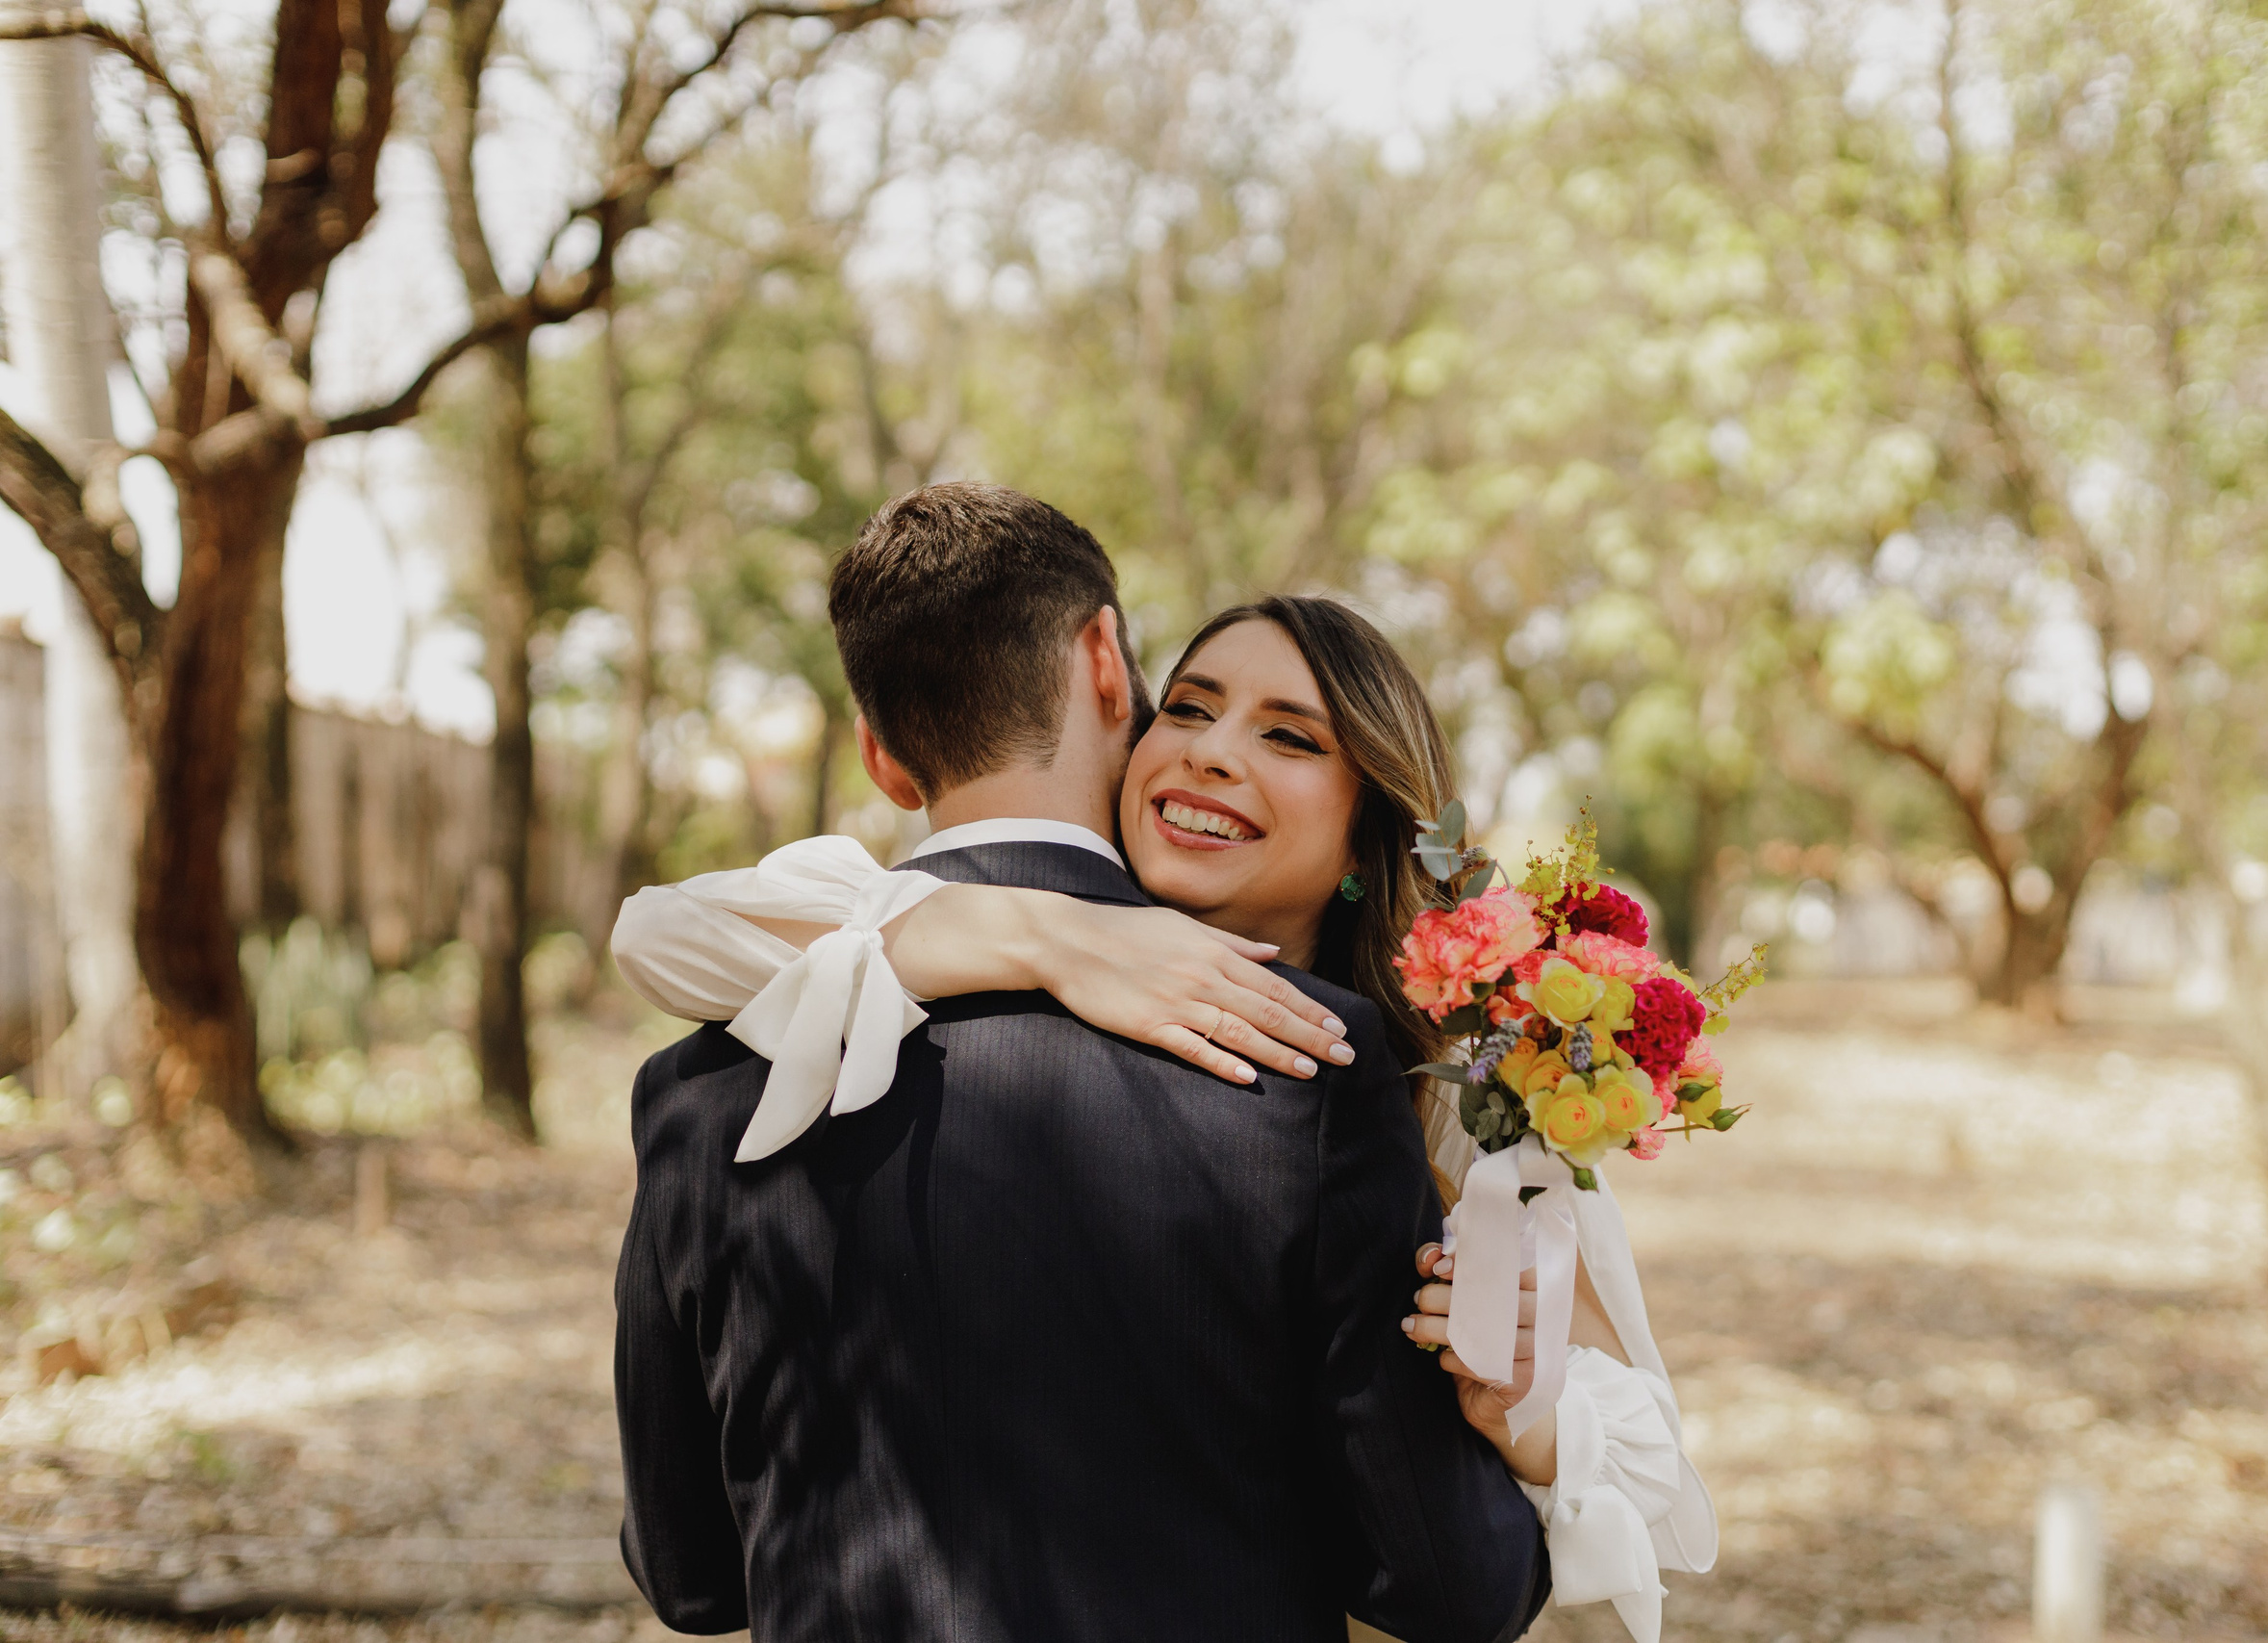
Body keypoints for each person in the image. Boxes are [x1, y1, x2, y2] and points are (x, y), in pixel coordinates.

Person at [616, 489, 1717, 1643]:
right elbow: (1453, 1588)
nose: (1212, 754)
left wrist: (1521, 1414)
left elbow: (693, 1577)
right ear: (1111, 671)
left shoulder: (701, 1084)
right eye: (1187, 706)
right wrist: (1045, 933)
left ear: (881, 759)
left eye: (1290, 736)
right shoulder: (1310, 1086)